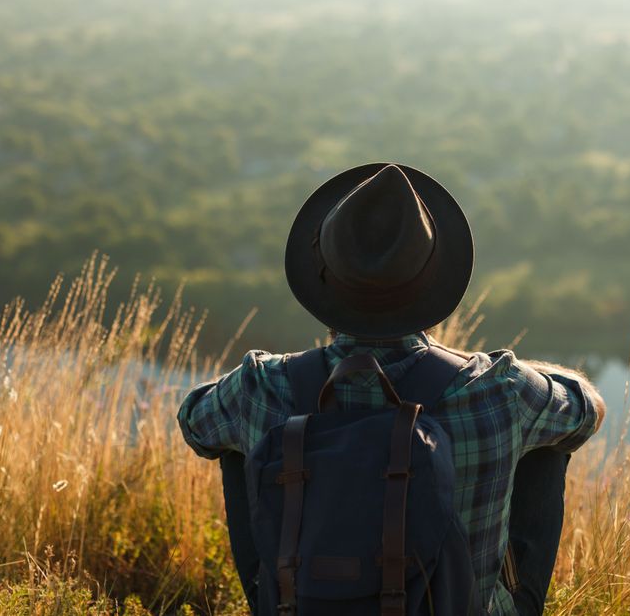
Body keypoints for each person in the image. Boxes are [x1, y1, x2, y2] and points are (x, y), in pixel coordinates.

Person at [178, 162, 605, 615]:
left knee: (236, 446)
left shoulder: (259, 386)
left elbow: (195, 422)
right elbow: (587, 411)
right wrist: (515, 370)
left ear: (323, 279)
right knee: (550, 443)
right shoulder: (501, 389)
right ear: (432, 281)